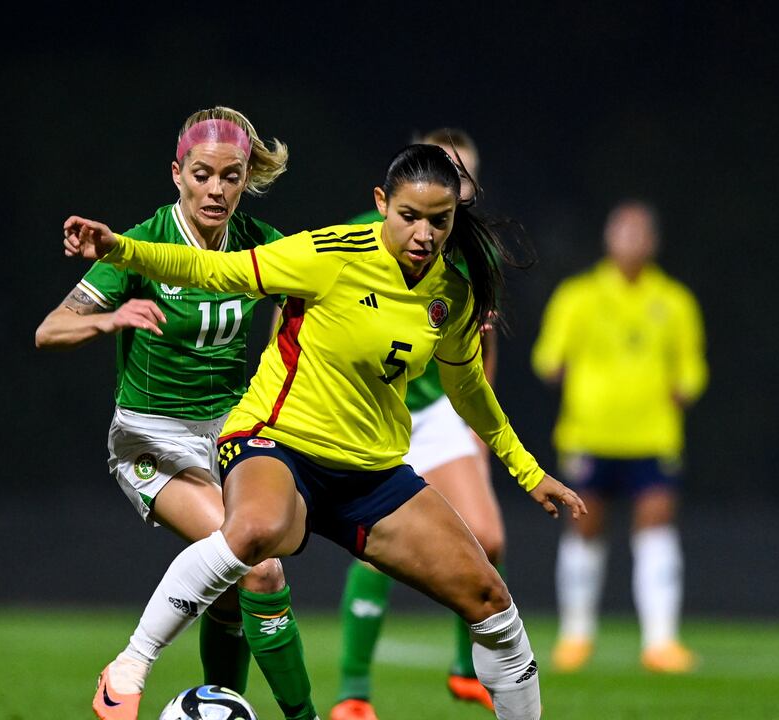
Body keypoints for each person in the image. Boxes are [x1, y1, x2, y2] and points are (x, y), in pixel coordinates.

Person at [63, 143, 587, 720]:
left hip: (371, 474)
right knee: (255, 534)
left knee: (490, 599)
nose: (424, 233)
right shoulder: (326, 252)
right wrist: (121, 249)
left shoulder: (452, 294)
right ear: (381, 203)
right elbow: (212, 270)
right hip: (275, 442)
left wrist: (529, 471)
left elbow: (469, 391)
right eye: (409, 215)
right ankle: (131, 666)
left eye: (439, 220)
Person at [35, 107, 317, 720]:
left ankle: (222, 704)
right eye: (202, 174)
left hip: (229, 436)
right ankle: (298, 716)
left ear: (245, 179)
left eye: (231, 176)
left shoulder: (258, 243)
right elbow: (49, 329)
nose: (216, 190)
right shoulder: (145, 244)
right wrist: (109, 318)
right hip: (151, 440)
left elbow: (326, 284)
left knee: (230, 585)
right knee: (258, 565)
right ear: (177, 175)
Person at [332, 128, 505, 720]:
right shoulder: (365, 231)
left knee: (489, 536)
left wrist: (482, 434)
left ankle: (467, 670)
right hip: (368, 406)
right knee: (374, 547)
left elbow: (481, 349)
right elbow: (291, 297)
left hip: (434, 411)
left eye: (464, 179)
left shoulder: (473, 253)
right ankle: (353, 692)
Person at [531, 200, 707, 673]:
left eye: (640, 232)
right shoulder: (578, 296)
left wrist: (683, 389)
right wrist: (558, 368)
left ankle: (661, 641)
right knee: (585, 528)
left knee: (657, 529)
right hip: (591, 433)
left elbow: (691, 371)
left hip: (651, 437)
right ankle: (576, 635)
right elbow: (548, 359)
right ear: (609, 238)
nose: (631, 240)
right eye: (623, 231)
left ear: (653, 242)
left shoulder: (675, 301)